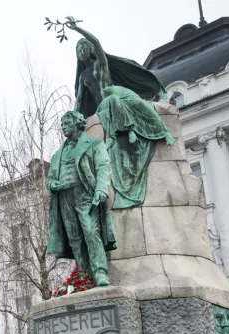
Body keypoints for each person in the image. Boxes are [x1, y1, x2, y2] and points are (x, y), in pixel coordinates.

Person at [66, 17, 174, 210]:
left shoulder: (101, 64)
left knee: (139, 105)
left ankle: (160, 131)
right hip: (104, 105)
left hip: (117, 93)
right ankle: (128, 132)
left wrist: (77, 29)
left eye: (83, 47)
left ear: (89, 49)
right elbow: (79, 101)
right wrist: (73, 118)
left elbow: (97, 43)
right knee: (112, 103)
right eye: (78, 50)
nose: (81, 51)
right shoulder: (83, 76)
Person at [46, 109, 117, 286]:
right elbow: (51, 178)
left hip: (85, 193)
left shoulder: (94, 144)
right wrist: (52, 184)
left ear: (77, 124)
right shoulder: (57, 155)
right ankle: (84, 275)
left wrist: (101, 189)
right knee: (74, 238)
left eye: (67, 123)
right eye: (62, 124)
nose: (63, 127)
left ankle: (100, 272)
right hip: (64, 196)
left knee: (91, 231)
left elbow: (103, 167)